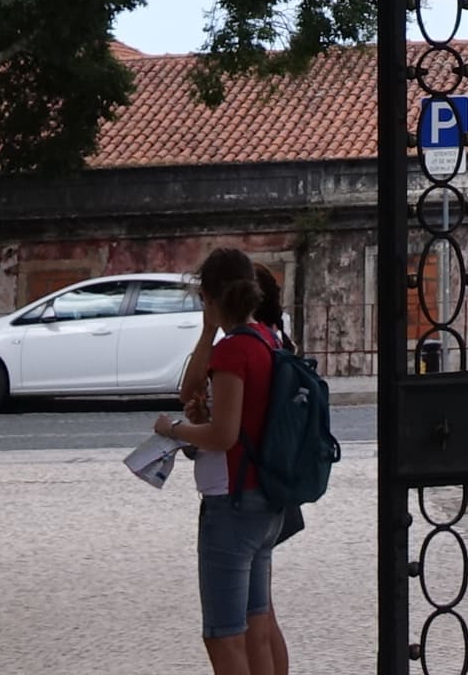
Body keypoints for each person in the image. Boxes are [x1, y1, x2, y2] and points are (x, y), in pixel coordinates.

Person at [153, 250, 290, 675]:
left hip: (231, 501)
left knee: (224, 635)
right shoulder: (266, 339)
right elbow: (214, 404)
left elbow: (223, 435)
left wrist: (172, 430)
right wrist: (210, 329)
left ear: (209, 297)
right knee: (255, 623)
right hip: (264, 498)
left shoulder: (234, 352)